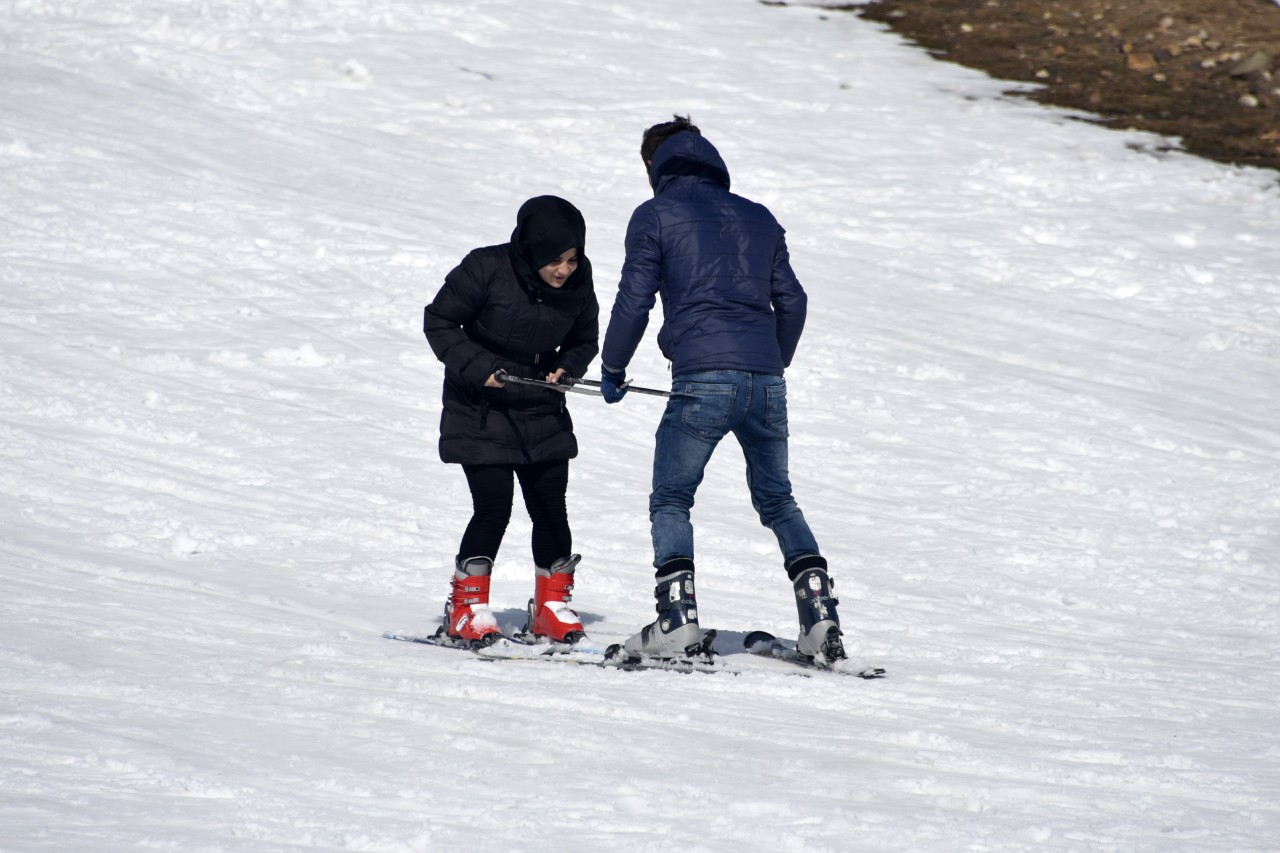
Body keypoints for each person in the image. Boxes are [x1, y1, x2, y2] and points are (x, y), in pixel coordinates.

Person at [599, 116, 845, 665]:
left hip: (701, 381)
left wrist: (612, 369)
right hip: (766, 380)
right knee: (778, 499)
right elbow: (795, 301)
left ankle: (676, 622)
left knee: (671, 497)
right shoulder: (759, 218)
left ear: (653, 165)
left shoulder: (654, 215)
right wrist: (768, 362)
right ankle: (820, 619)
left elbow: (634, 302)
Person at [423, 195, 599, 647]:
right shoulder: (486, 268)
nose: (565, 270)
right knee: (494, 505)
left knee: (549, 505)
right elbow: (439, 321)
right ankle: (466, 608)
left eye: (573, 259)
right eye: (554, 260)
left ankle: (551, 607)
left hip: (540, 405)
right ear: (531, 251)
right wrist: (479, 367)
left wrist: (569, 367)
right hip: (480, 407)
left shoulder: (580, 283)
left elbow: (584, 336)